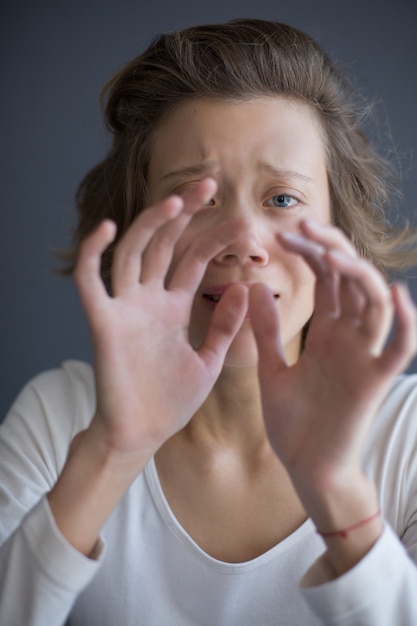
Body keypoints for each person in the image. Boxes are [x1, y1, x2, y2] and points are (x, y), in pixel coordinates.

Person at [1, 18, 417, 626]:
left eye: (282, 198)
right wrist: (113, 453)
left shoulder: (407, 439)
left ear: (343, 234)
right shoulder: (57, 419)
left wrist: (336, 491)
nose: (244, 241)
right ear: (134, 231)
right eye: (198, 198)